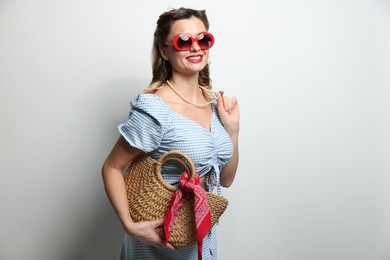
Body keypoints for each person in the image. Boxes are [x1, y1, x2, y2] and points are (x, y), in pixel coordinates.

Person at [102, 7, 240, 260]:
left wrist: (232, 131)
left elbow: (226, 179)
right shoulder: (156, 108)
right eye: (184, 41)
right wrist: (129, 225)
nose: (196, 47)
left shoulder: (213, 104)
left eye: (203, 39)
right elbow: (111, 167)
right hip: (160, 248)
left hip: (202, 243)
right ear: (165, 51)